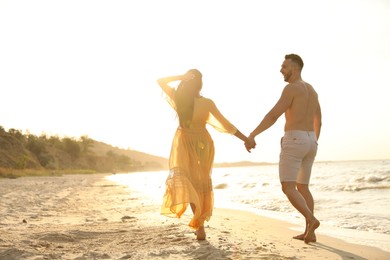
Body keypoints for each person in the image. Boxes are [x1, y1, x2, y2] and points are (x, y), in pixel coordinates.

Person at [157, 69, 254, 240]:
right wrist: (245, 139)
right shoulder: (206, 103)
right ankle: (199, 224)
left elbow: (160, 80)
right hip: (202, 144)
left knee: (190, 183)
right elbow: (227, 125)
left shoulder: (178, 98)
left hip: (184, 143)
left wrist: (181, 77)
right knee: (199, 183)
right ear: (201, 84)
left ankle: (199, 225)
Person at [247, 54, 322, 244]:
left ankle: (311, 220)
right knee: (303, 187)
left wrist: (253, 134)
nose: (281, 70)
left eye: (284, 66)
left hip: (295, 139)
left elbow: (273, 115)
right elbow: (319, 121)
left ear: (295, 68)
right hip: (311, 141)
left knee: (288, 187)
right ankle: (309, 233)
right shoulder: (312, 90)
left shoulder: (291, 89)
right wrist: (312, 140)